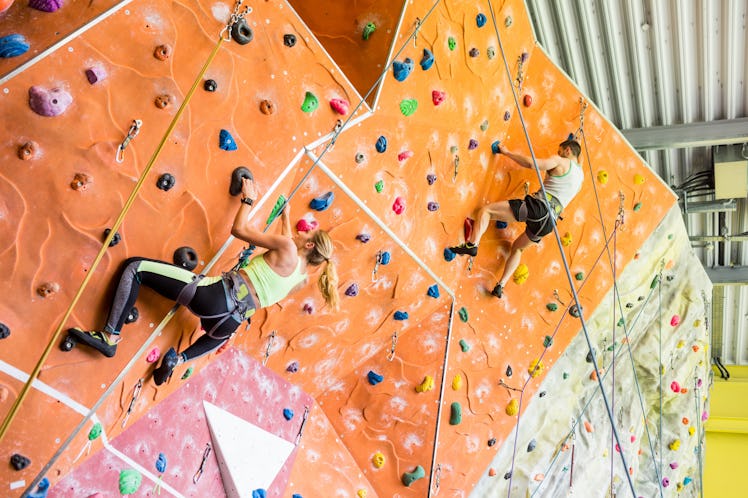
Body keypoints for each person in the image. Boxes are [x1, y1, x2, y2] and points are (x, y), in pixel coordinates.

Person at [68, 176, 339, 384]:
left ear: (310, 246)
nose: (301, 235)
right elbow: (286, 250)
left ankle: (109, 336)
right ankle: (178, 360)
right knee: (205, 344)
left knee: (135, 268)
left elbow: (240, 230)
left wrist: (249, 199)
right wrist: (286, 216)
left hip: (216, 296)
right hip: (227, 325)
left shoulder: (288, 248)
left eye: (307, 235)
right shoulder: (300, 280)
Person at [449, 139, 583, 298]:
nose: (558, 154)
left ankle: (472, 244)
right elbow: (578, 161)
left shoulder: (561, 161)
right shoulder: (580, 177)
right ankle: (501, 285)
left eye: (560, 151)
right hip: (549, 223)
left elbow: (531, 164)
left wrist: (506, 152)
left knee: (486, 211)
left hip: (539, 207)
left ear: (567, 151)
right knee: (518, 248)